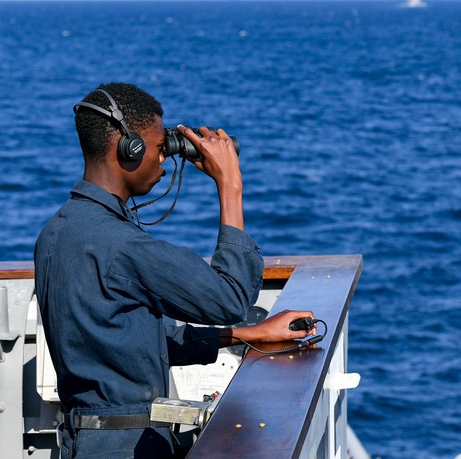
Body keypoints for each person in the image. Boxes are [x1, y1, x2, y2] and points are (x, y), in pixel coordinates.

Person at [34, 82, 313, 459]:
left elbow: (131, 339)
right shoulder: (119, 245)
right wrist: (229, 185)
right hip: (130, 448)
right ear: (127, 149)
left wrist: (248, 333)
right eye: (158, 147)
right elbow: (230, 298)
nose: (164, 158)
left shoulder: (57, 230)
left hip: (85, 443)